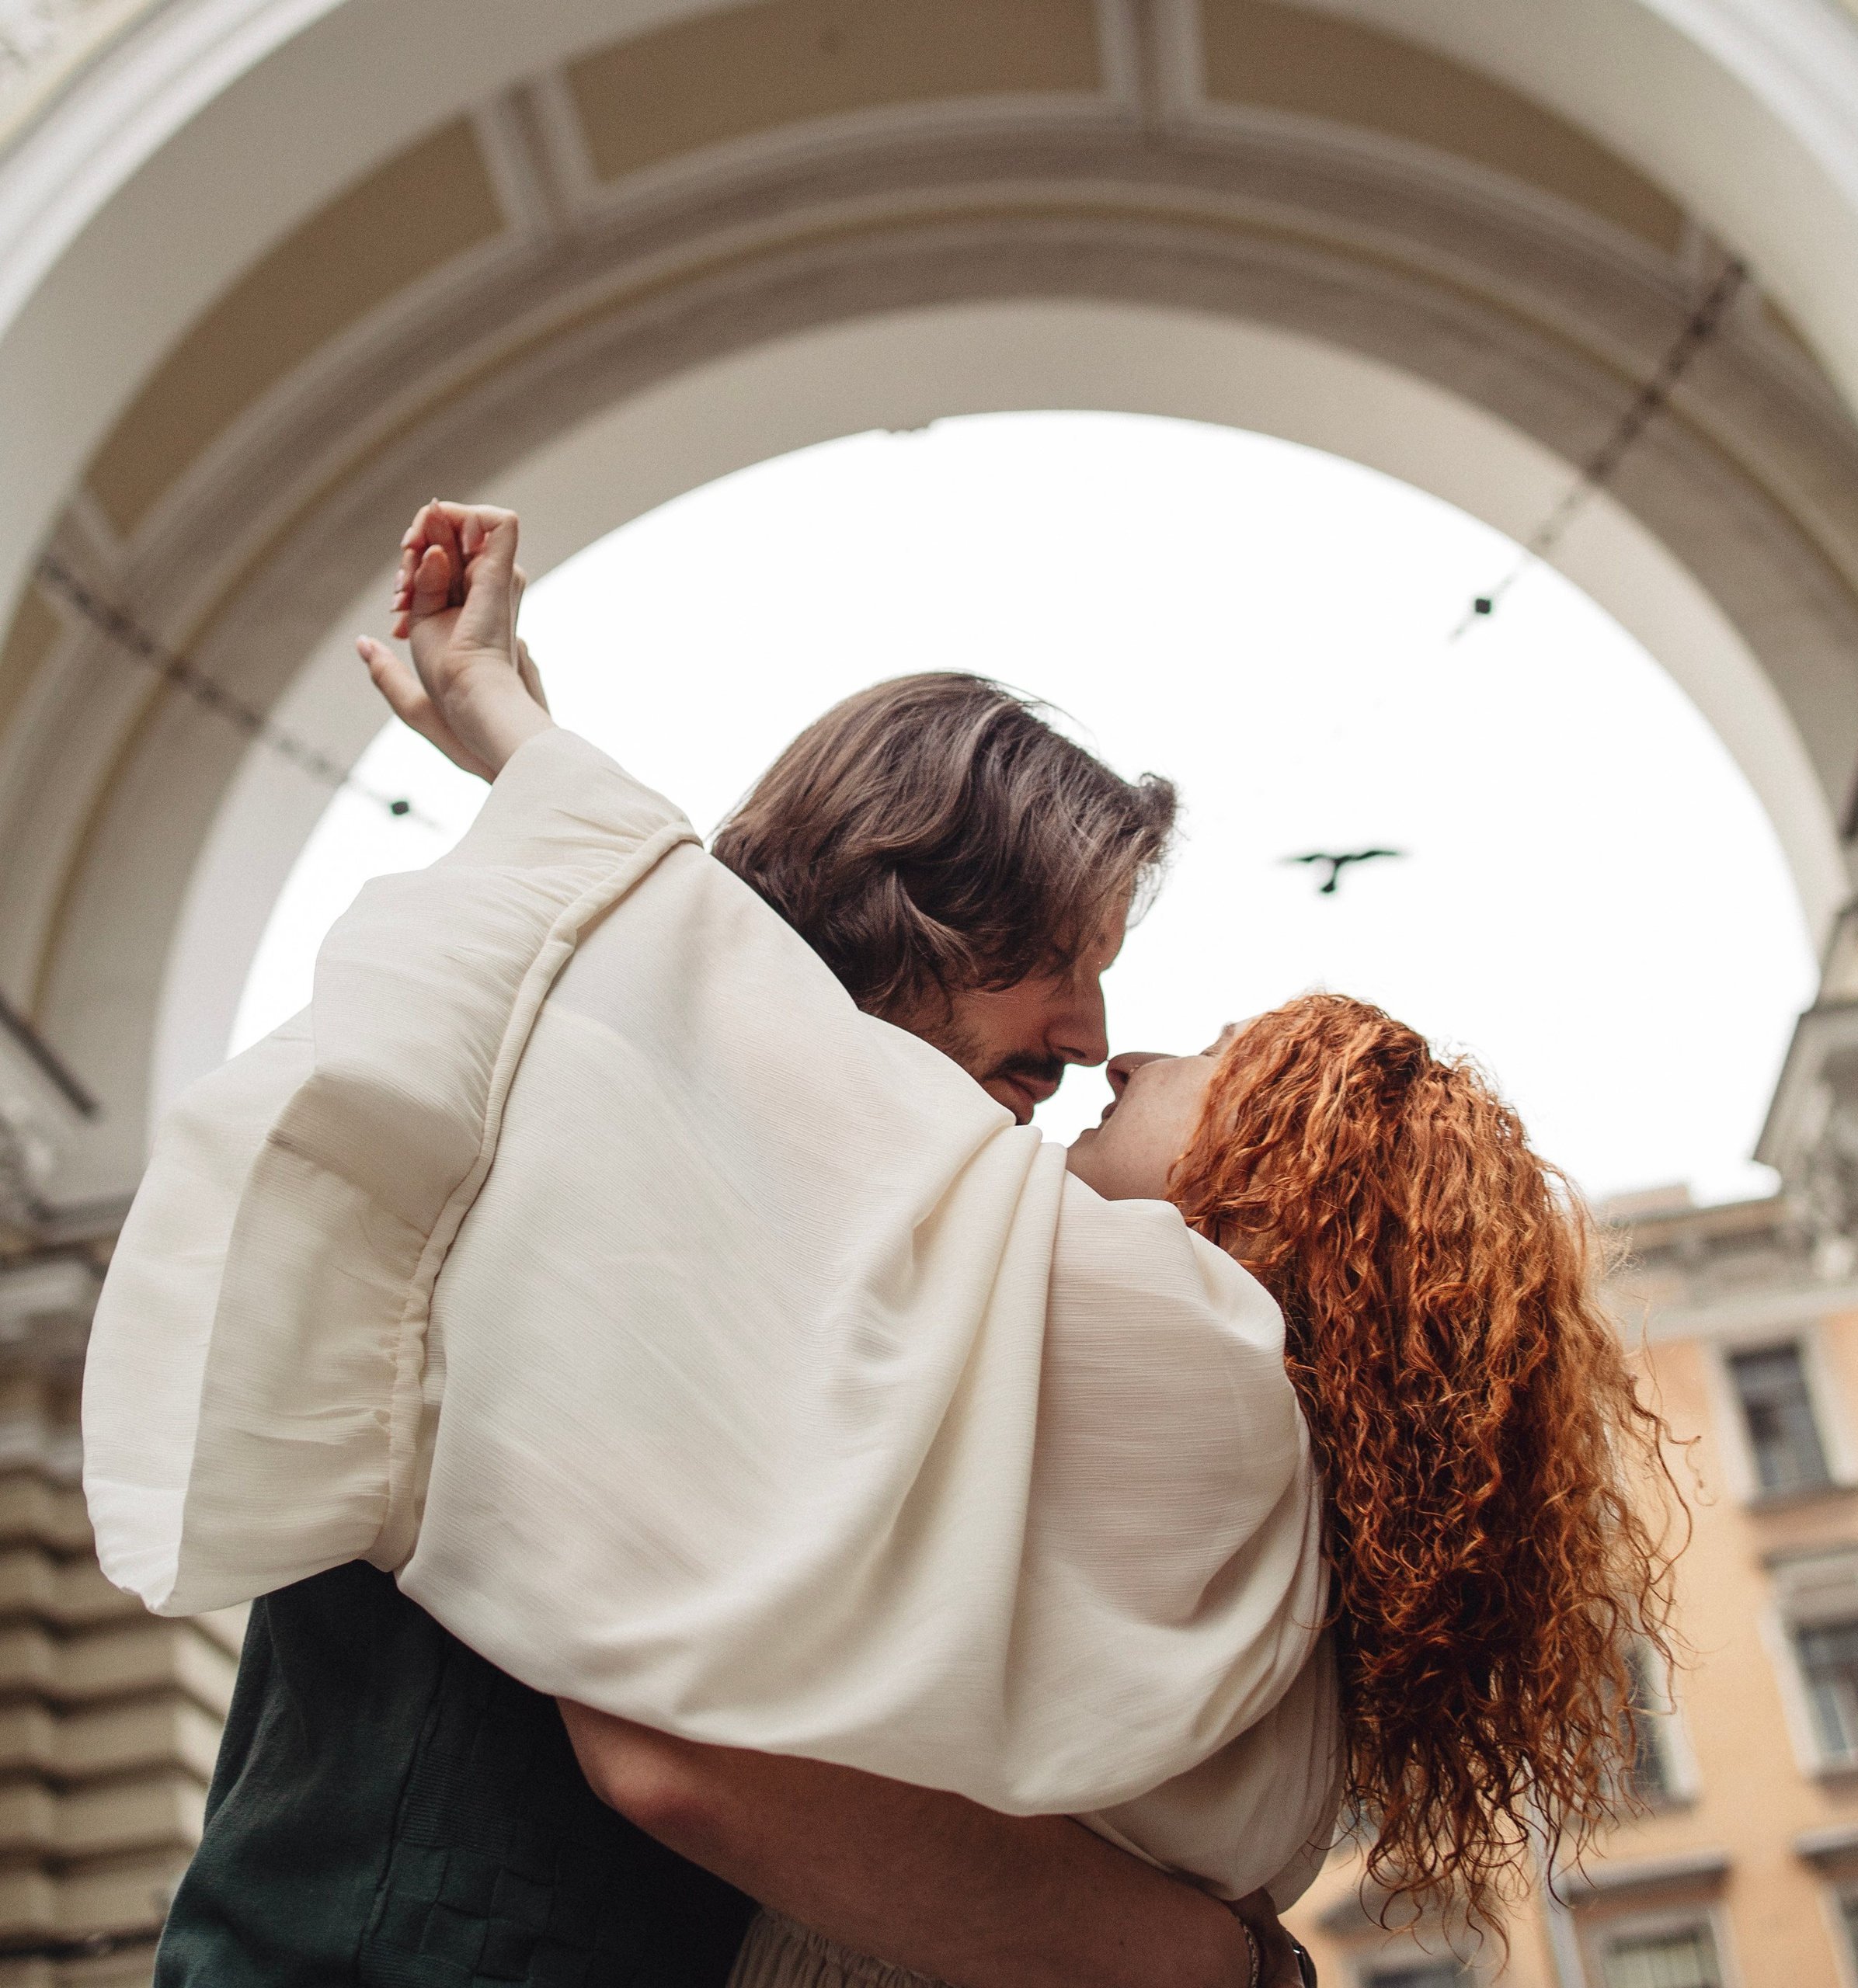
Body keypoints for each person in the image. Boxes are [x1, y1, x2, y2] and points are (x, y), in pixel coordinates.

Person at [87, 507, 1323, 1988]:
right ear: (910, 909)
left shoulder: (750, 1190)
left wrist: (511, 728)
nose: (1096, 1034)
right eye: (1063, 956)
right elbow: (681, 1758)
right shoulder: (626, 1154)